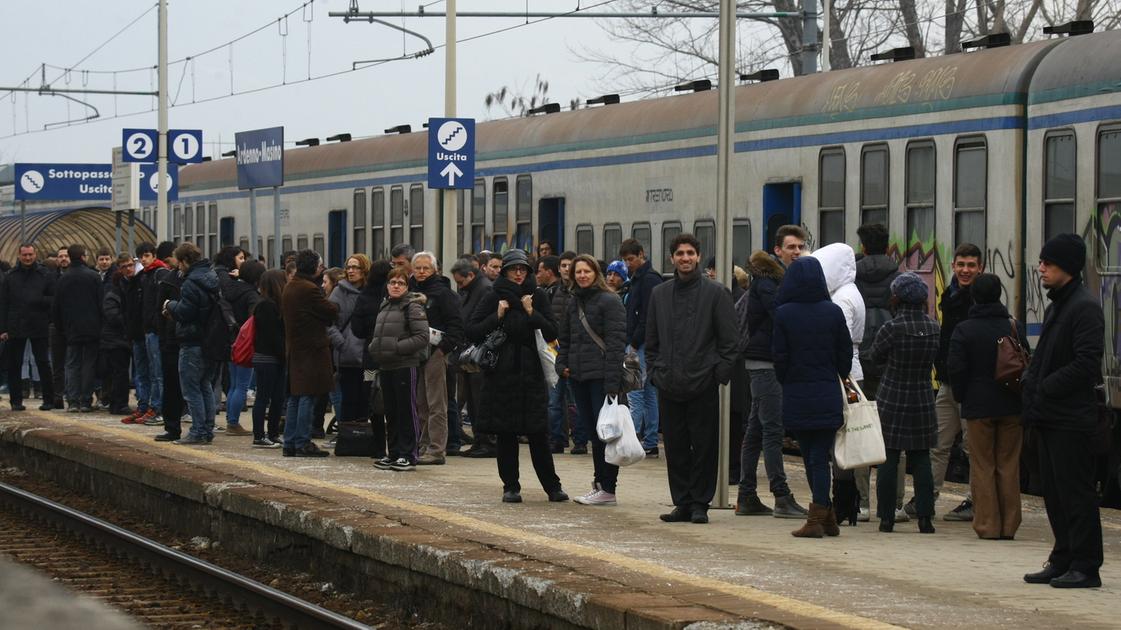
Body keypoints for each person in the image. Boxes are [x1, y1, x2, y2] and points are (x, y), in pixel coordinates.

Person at [1022, 234, 1104, 589]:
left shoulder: (1084, 308)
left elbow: (1087, 363)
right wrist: (1031, 379)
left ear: (1067, 268)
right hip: (1050, 415)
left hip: (1071, 417)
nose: (1041, 268)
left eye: (1048, 264)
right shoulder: (1059, 304)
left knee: (1076, 494)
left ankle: (1086, 566)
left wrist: (1045, 386)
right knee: (1054, 494)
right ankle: (1063, 557)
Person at [646, 233, 737, 524]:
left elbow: (730, 342)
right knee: (674, 446)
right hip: (669, 382)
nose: (685, 258)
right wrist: (656, 372)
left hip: (702, 383)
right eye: (680, 253)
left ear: (698, 256)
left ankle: (701, 502)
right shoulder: (659, 294)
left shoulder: (716, 293)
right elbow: (651, 341)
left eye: (690, 253)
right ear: (671, 258)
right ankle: (682, 502)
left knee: (704, 445)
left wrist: (716, 375)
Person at [466, 249, 568, 503]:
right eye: (514, 269)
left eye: (523, 269)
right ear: (505, 272)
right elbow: (472, 331)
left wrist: (532, 313)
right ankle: (510, 486)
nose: (519, 274)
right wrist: (497, 315)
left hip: (531, 373)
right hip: (500, 373)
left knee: (538, 433)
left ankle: (552, 486)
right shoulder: (493, 296)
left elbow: (553, 331)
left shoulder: (538, 296)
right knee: (505, 433)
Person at [772, 255, 852, 538]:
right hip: (828, 392)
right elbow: (845, 356)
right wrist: (835, 374)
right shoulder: (833, 312)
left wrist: (789, 380)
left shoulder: (784, 313)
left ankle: (817, 517)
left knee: (813, 457)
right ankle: (827, 517)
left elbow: (779, 358)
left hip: (797, 392)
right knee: (821, 455)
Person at [948, 274, 1029, 540]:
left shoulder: (965, 329)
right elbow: (1026, 361)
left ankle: (987, 525)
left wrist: (962, 397)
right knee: (1008, 464)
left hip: (978, 406)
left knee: (983, 465)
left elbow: (956, 369)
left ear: (974, 297)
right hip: (1011, 404)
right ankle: (1009, 525)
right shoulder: (1013, 325)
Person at [737, 225, 809, 519]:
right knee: (772, 429)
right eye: (791, 247)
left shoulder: (781, 279)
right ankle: (781, 495)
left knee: (756, 430)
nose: (797, 252)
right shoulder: (768, 282)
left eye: (800, 247)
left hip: (767, 361)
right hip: (765, 362)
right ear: (777, 251)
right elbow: (782, 317)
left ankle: (746, 495)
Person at [870, 272, 940, 534]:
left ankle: (886, 518)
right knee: (921, 459)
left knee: (889, 458)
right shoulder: (934, 327)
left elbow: (876, 356)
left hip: (892, 396)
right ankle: (925, 518)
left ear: (897, 297)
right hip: (922, 397)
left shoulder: (892, 328)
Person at [920, 243, 985, 522]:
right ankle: (926, 496)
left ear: (980, 268)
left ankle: (975, 501)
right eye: (961, 265)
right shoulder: (950, 294)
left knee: (973, 448)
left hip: (971, 387)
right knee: (937, 443)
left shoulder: (980, 299)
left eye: (971, 265)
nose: (965, 270)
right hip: (947, 383)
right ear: (954, 266)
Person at [556, 254, 626, 506]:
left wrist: (612, 381)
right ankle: (599, 484)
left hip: (601, 378)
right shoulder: (574, 302)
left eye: (586, 271)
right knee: (593, 433)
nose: (582, 276)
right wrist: (561, 364)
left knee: (605, 435)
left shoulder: (610, 301)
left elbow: (617, 343)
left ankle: (608, 487)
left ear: (595, 273)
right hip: (579, 377)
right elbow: (566, 338)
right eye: (578, 272)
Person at [853, 223, 900, 521]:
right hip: (889, 363)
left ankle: (863, 503)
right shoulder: (898, 277)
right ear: (887, 246)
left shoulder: (852, 276)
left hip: (860, 360)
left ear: (864, 247)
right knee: (891, 435)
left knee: (860, 429)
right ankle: (894, 503)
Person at [368, 266, 430, 471]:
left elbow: (422, 337)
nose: (396, 286)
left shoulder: (412, 307)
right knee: (391, 411)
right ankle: (394, 452)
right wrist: (374, 349)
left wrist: (396, 348)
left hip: (405, 365)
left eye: (400, 283)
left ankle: (408, 453)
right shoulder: (384, 306)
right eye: (392, 282)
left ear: (407, 286)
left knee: (406, 410)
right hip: (386, 366)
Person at [281, 249, 337, 458]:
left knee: (296, 396)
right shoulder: (308, 289)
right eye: (320, 266)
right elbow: (331, 311)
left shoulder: (290, 286)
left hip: (296, 349)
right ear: (314, 267)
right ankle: (303, 442)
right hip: (311, 349)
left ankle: (290, 441)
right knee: (308, 395)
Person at [165, 243, 221, 445]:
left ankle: (197, 431)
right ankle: (207, 429)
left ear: (185, 261)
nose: (178, 268)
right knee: (205, 384)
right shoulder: (212, 277)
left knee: (191, 389)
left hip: (192, 340)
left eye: (179, 263)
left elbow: (185, 312)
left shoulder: (190, 282)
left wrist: (169, 305)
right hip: (210, 341)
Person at [411, 251, 463, 465]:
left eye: (426, 268)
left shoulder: (443, 294)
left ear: (435, 270)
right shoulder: (410, 290)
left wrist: (443, 349)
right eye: (418, 268)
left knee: (436, 403)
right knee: (420, 403)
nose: (421, 272)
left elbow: (457, 326)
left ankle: (436, 449)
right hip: (416, 353)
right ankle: (423, 444)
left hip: (435, 353)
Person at [619, 238, 663, 458]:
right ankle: (651, 440)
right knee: (648, 393)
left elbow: (646, 315)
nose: (628, 264)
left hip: (639, 343)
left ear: (641, 254)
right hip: (642, 341)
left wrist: (633, 342)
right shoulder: (642, 279)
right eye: (626, 260)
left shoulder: (646, 280)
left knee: (635, 391)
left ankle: (633, 438)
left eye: (631, 259)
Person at [0, 243, 56, 412]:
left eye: (30, 254)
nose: (28, 258)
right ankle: (16, 401)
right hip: (15, 325)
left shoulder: (45, 274)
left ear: (35, 254)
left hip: (38, 323)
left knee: (43, 363)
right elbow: (3, 303)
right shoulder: (10, 276)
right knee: (14, 364)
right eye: (24, 255)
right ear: (19, 256)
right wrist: (3, 329)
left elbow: (53, 299)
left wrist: (39, 301)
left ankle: (48, 400)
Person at [452, 258, 498, 459]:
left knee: (480, 399)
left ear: (470, 275)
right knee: (472, 399)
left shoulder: (484, 290)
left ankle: (487, 441)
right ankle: (480, 440)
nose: (459, 286)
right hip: (471, 351)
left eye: (460, 282)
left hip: (479, 352)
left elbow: (479, 320)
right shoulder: (472, 289)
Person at [123, 242, 172, 426]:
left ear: (154, 255)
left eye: (146, 255)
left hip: (153, 330)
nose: (143, 260)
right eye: (141, 256)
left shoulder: (159, 273)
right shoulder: (141, 277)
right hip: (142, 330)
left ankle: (157, 408)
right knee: (143, 372)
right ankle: (144, 406)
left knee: (156, 372)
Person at [52, 244, 103, 412]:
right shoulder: (94, 277)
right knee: (89, 364)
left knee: (72, 364)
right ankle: (86, 400)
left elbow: (56, 307)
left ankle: (73, 401)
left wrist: (61, 328)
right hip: (92, 327)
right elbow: (100, 303)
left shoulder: (63, 279)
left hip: (71, 329)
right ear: (82, 257)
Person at [351, 259, 392, 459]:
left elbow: (356, 330)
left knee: (374, 400)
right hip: (393, 356)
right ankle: (395, 444)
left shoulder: (364, 297)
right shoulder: (392, 297)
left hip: (371, 356)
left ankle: (378, 447)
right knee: (394, 399)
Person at [329, 255, 370, 430]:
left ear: (364, 270)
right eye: (349, 267)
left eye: (356, 267)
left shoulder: (371, 292)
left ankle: (361, 436)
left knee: (365, 399)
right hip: (346, 356)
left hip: (367, 354)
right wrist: (341, 343)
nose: (351, 271)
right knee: (348, 397)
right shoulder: (339, 292)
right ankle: (346, 435)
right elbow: (328, 322)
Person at [251, 269, 288, 448]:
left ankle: (273, 433)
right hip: (267, 358)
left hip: (273, 358)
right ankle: (259, 435)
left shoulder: (271, 304)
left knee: (278, 398)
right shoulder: (267, 306)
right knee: (264, 398)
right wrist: (285, 353)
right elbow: (273, 336)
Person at [154, 242, 186, 442]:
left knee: (190, 386)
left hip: (183, 340)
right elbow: (158, 311)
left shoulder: (195, 279)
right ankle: (173, 426)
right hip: (173, 341)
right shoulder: (168, 281)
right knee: (173, 385)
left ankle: (200, 426)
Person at [99, 255, 134, 416]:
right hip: (115, 338)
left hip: (118, 337)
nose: (129, 269)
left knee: (118, 372)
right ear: (119, 268)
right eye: (125, 266)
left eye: (130, 265)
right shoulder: (115, 288)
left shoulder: (126, 285)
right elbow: (112, 314)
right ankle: (119, 404)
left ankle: (117, 403)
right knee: (119, 372)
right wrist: (129, 322)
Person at [48, 246, 70, 409]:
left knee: (73, 362)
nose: (63, 259)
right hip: (55, 325)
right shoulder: (50, 278)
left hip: (73, 325)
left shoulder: (75, 275)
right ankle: (58, 396)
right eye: (60, 256)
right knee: (57, 363)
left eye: (66, 256)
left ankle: (72, 394)